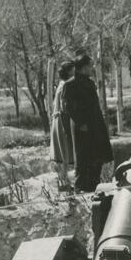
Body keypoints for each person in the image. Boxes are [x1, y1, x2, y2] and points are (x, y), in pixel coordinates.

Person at [62, 53, 114, 192]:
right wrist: (81, 123)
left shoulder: (89, 82)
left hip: (95, 124)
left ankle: (94, 185)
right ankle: (81, 187)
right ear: (83, 67)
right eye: (90, 66)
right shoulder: (70, 85)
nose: (92, 68)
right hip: (82, 128)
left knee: (97, 157)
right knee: (84, 157)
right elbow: (68, 107)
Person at [50, 60, 75, 190]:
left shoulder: (62, 85)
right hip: (62, 120)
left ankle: (64, 182)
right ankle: (64, 183)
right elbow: (64, 107)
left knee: (63, 152)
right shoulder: (65, 85)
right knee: (65, 150)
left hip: (58, 120)